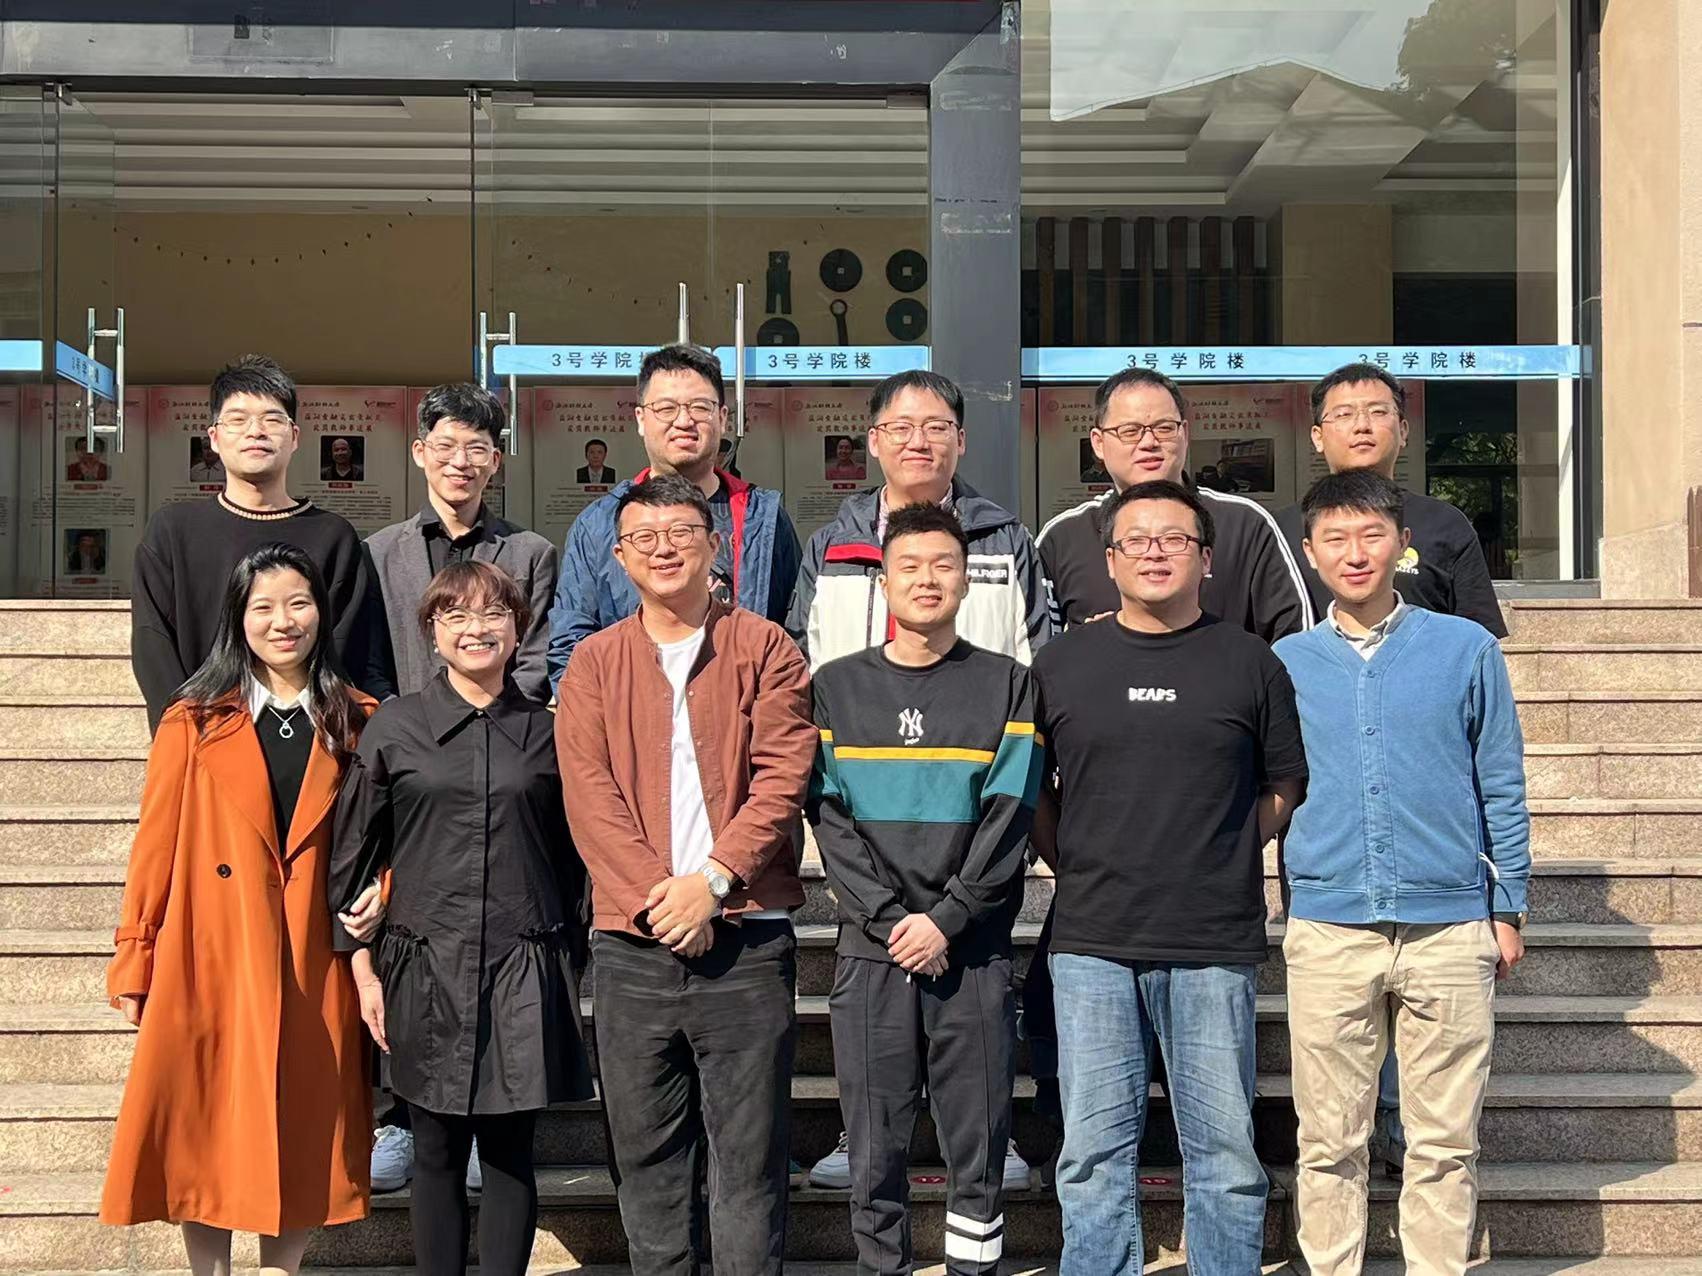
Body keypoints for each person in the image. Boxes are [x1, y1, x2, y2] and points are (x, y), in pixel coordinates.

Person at [1031, 479, 1307, 1276]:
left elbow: (1285, 783)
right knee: (1091, 1153)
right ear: (1110, 559)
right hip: (1092, 939)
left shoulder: (1250, 661)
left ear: (1206, 559)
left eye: (1175, 539)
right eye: (1137, 540)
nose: (1156, 553)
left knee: (1224, 1152)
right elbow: (1033, 790)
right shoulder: (1062, 662)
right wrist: (1072, 861)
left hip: (1212, 939)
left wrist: (1223, 849)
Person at [790, 368, 1046, 1191]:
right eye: (899, 427)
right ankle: (859, 1133)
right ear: (872, 441)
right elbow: (801, 654)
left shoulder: (1004, 538)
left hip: (970, 806)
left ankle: (990, 1134)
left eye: (936, 426)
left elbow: (1036, 651)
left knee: (979, 987)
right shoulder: (830, 543)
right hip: (868, 806)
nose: (918, 441)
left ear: (961, 440)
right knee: (874, 1010)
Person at [556, 475, 815, 1276]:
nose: (663, 548)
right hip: (631, 947)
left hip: (747, 941)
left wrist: (714, 882)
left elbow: (783, 776)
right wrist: (663, 903)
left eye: (680, 532)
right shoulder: (594, 662)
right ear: (619, 556)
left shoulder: (765, 647)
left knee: (749, 1164)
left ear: (715, 546)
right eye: (644, 537)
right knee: (648, 1164)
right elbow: (588, 795)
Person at [100, 543, 381, 1276]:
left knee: (305, 1120)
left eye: (299, 604)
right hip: (210, 949)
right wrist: (136, 954)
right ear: (238, 617)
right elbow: (155, 846)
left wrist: (385, 889)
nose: (283, 622)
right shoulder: (193, 720)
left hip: (313, 950)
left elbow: (389, 835)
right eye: (264, 607)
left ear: (322, 613)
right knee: (204, 1121)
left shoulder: (360, 719)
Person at [1274, 470, 1529, 1276]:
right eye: (1336, 539)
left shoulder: (1465, 648)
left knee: (1445, 1142)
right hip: (1329, 925)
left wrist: (1508, 905)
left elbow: (1501, 779)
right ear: (1311, 553)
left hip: (1449, 926)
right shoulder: (1284, 662)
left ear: (1403, 544)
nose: (1356, 554)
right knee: (1329, 1141)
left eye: (1372, 535)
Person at [331, 560, 593, 1276]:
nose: (476, 629)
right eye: (456, 615)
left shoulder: (548, 733)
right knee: (437, 1148)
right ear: (431, 631)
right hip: (423, 963)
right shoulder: (395, 727)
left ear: (519, 629)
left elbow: (576, 859)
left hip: (523, 962)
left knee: (509, 1153)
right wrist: (363, 969)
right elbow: (352, 857)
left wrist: (570, 957)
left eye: (493, 614)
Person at [131, 354, 381, 733]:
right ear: (214, 437)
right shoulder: (172, 531)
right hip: (201, 734)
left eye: (272, 419)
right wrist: (185, 732)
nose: (256, 432)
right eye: (237, 419)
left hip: (308, 736)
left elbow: (345, 650)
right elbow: (153, 644)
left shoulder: (334, 536)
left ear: (294, 437)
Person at [547, 343, 802, 688]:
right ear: (641, 419)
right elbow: (571, 645)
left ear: (722, 418)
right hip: (631, 714)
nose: (683, 421)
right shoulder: (599, 524)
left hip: (743, 714)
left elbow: (792, 637)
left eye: (699, 407)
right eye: (666, 408)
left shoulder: (764, 518)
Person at [1037, 367, 1312, 642]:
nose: (1149, 442)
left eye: (1165, 428)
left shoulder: (1244, 524)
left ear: (1185, 433)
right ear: (1098, 443)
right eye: (1130, 431)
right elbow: (1039, 648)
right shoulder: (1062, 538)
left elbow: (1296, 641)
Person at [365, 382, 557, 706]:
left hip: (504, 728)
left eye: (476, 449)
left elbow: (537, 659)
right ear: (420, 452)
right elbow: (368, 662)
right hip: (406, 730)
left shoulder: (532, 554)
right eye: (445, 446)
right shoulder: (377, 553)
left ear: (495, 460)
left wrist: (498, 720)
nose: (460, 461)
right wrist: (399, 722)